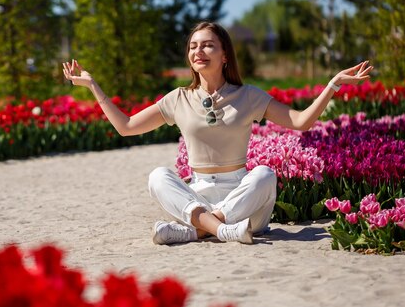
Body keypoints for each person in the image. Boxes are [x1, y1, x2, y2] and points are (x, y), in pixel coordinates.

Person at [62, 21, 373, 245]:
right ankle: (219, 230)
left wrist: (333, 84)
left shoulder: (248, 95)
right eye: (193, 46)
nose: (199, 50)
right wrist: (93, 86)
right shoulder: (178, 98)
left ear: (225, 55)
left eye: (208, 44)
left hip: (244, 200)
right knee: (158, 176)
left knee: (264, 174)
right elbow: (126, 127)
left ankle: (196, 231)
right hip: (197, 195)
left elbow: (301, 121)